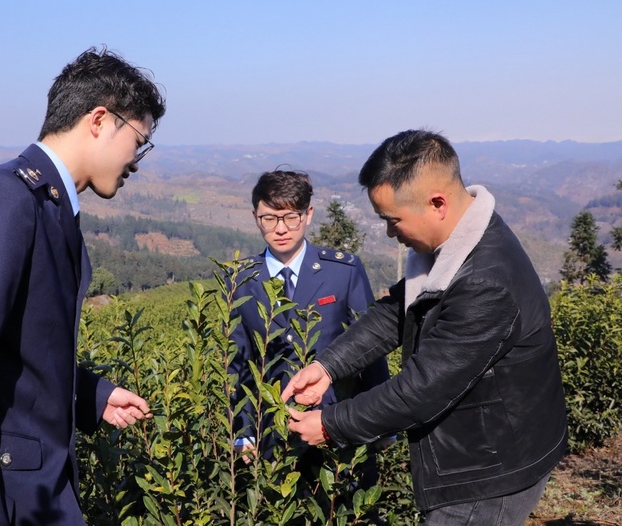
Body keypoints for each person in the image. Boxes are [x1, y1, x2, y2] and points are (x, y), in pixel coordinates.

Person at [0, 47, 166, 525]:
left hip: (36, 496)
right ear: (100, 120)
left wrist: (92, 395)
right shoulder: (4, 200)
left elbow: (16, 354)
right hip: (3, 502)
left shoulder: (48, 205)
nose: (137, 160)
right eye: (139, 141)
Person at [281, 130, 568, 524]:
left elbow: (420, 389)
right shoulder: (454, 246)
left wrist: (331, 424)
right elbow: (395, 312)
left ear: (437, 203)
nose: (390, 233)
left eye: (393, 220)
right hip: (476, 452)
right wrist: (327, 367)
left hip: (487, 476)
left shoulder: (486, 282)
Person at [228, 169, 390, 484]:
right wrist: (243, 432)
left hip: (336, 424)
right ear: (255, 217)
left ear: (309, 214)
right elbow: (238, 361)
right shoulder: (241, 279)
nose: (281, 229)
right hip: (271, 430)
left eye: (291, 217)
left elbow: (371, 347)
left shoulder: (343, 271)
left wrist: (382, 425)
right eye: (269, 219)